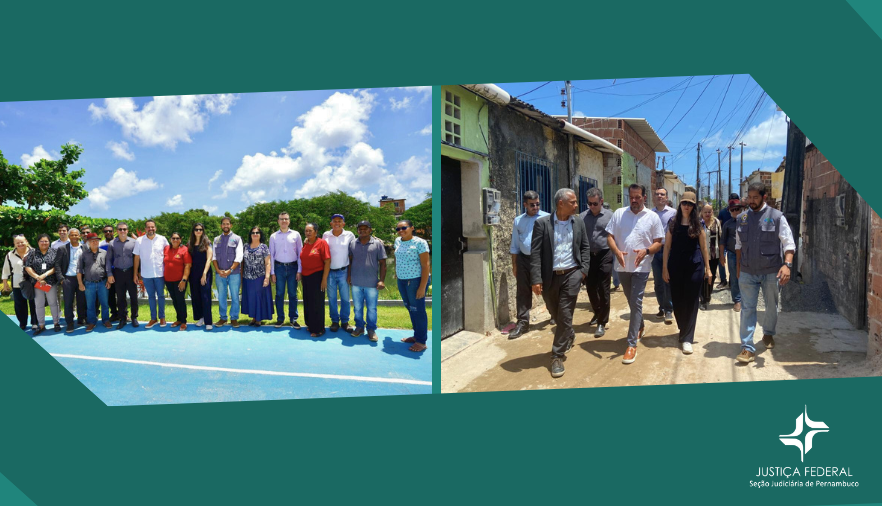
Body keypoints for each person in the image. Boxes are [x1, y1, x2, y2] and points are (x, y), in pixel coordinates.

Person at [529, 189, 590, 378]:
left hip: (572, 274)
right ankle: (568, 334)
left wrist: (583, 271)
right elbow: (535, 253)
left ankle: (557, 355)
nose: (576, 205)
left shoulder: (578, 222)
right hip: (549, 277)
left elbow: (585, 246)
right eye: (572, 202)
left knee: (564, 315)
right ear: (561, 203)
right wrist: (536, 279)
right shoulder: (542, 224)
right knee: (555, 313)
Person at [735, 182, 796, 363]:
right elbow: (738, 245)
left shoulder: (777, 217)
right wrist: (738, 268)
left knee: (771, 306)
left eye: (755, 198)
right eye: (749, 197)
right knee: (747, 308)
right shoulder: (742, 218)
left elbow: (789, 244)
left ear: (764, 197)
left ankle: (768, 333)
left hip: (771, 271)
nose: (751, 201)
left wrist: (787, 265)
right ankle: (747, 347)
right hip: (747, 271)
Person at [606, 184, 665, 365]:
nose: (634, 200)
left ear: (644, 198)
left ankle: (631, 344)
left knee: (636, 301)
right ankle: (640, 326)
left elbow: (658, 243)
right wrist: (616, 251)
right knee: (631, 301)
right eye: (631, 196)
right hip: (623, 266)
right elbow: (609, 236)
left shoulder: (652, 217)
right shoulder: (619, 214)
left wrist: (646, 251)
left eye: (638, 197)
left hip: (641, 267)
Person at [662, 192, 712, 354]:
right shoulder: (672, 222)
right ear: (680, 204)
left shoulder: (699, 224)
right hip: (675, 266)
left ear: (693, 206)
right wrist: (664, 268)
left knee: (691, 302)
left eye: (690, 204)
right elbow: (667, 247)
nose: (687, 206)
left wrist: (708, 269)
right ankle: (683, 329)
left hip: (695, 267)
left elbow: (704, 247)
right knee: (677, 300)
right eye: (684, 203)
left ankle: (687, 338)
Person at [508, 191, 549, 340]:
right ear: (525, 205)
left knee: (547, 288)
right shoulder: (518, 221)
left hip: (542, 260)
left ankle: (555, 314)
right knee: (523, 291)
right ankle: (523, 323)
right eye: (532, 205)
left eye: (538, 204)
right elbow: (515, 244)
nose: (536, 207)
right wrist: (514, 264)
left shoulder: (547, 218)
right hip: (524, 259)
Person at [579, 187, 613, 338]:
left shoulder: (610, 217)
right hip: (588, 256)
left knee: (604, 288)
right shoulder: (581, 217)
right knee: (591, 288)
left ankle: (602, 322)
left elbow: (615, 236)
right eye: (589, 204)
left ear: (601, 201)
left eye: (595, 203)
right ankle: (597, 312)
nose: (592, 206)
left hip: (605, 254)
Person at [347, 220, 387, 341]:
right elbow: (350, 261)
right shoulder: (353, 243)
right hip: (356, 282)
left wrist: (382, 280)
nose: (362, 230)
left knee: (372, 308)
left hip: (372, 283)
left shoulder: (377, 244)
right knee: (357, 307)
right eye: (360, 228)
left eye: (365, 228)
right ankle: (359, 327)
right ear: (357, 230)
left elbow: (383, 263)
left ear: (370, 230)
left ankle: (371, 329)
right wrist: (349, 276)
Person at [395, 219, 431, 352]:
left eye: (404, 228)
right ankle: (417, 336)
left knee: (418, 310)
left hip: (415, 281)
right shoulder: (398, 241)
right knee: (410, 308)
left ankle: (421, 341)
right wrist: (396, 273)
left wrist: (422, 287)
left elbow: (425, 265)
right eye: (398, 229)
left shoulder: (420, 243)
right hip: (402, 280)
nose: (401, 231)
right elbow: (398, 258)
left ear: (412, 228)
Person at [269, 212, 302, 329]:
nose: (284, 221)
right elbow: (271, 255)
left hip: (293, 267)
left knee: (293, 294)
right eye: (281, 219)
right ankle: (280, 319)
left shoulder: (296, 235)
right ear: (278, 221)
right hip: (279, 268)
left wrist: (299, 270)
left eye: (286, 219)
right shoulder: (273, 236)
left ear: (289, 221)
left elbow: (300, 253)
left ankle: (293, 319)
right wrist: (272, 272)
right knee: (279, 294)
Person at [323, 214, 356, 332]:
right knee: (331, 298)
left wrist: (350, 274)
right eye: (335, 221)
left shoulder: (350, 235)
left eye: (340, 221)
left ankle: (345, 321)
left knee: (345, 298)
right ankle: (335, 321)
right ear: (331, 223)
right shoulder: (326, 235)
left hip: (344, 271)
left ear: (344, 224)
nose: (337, 223)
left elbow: (353, 254)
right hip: (330, 271)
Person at [134, 219, 169, 329]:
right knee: (151, 297)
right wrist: (135, 273)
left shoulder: (162, 239)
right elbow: (136, 258)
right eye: (148, 227)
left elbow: (168, 254)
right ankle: (153, 318)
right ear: (145, 229)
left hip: (160, 273)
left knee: (161, 296)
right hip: (146, 274)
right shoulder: (139, 241)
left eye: (152, 227)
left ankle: (162, 317)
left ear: (155, 228)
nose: (151, 229)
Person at [24, 234, 62, 335]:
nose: (44, 243)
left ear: (49, 242)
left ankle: (56, 323)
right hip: (37, 283)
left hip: (51, 282)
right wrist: (38, 277)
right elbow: (28, 267)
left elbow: (56, 267)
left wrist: (44, 275)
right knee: (39, 304)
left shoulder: (54, 252)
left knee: (53, 303)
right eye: (42, 241)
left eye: (46, 241)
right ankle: (41, 325)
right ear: (38, 242)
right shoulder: (32, 252)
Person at [106, 222, 140, 329]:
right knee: (120, 297)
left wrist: (137, 274)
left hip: (131, 272)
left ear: (127, 230)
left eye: (124, 229)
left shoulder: (134, 242)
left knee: (133, 296)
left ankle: (134, 317)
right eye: (120, 229)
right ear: (117, 231)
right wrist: (109, 274)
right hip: (118, 272)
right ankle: (122, 318)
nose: (122, 231)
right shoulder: (112, 243)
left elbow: (137, 259)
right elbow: (108, 260)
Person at [651, 187, 677, 324]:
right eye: (657, 194)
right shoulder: (649, 213)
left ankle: (669, 310)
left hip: (669, 251)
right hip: (655, 252)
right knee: (658, 282)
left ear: (666, 198)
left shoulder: (674, 213)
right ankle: (661, 307)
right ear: (654, 197)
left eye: (662, 194)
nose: (660, 196)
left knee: (667, 280)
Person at [212, 217, 244, 328]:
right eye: (223, 224)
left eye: (228, 224)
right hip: (220, 274)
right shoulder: (216, 240)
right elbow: (214, 257)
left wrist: (230, 270)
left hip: (234, 273)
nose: (225, 226)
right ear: (221, 226)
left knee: (235, 296)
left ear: (231, 225)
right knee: (221, 296)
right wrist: (218, 270)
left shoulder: (237, 239)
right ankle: (223, 318)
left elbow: (239, 256)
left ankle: (234, 318)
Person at [77, 233, 112, 331]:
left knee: (105, 303)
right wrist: (80, 283)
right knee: (90, 305)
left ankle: (106, 320)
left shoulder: (104, 253)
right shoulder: (83, 254)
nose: (94, 242)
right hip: (89, 283)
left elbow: (108, 268)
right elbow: (79, 270)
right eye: (92, 240)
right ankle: (92, 322)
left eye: (96, 240)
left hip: (102, 282)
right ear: (88, 242)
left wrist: (109, 281)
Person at [300, 222, 331, 337]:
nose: (308, 233)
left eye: (310, 231)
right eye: (306, 231)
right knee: (308, 302)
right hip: (306, 276)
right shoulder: (305, 243)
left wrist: (324, 279)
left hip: (317, 276)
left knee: (317, 303)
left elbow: (327, 261)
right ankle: (310, 325)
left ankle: (319, 329)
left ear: (316, 232)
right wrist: (303, 277)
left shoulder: (322, 243)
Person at [2, 235, 38, 331]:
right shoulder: (10, 255)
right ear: (14, 244)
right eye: (17, 243)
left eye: (22, 242)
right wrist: (5, 283)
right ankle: (22, 323)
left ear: (26, 241)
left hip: (32, 281)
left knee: (34, 302)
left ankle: (35, 322)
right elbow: (6, 270)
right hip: (17, 282)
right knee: (19, 304)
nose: (20, 244)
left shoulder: (34, 252)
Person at [240, 226, 274, 326]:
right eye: (253, 233)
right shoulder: (245, 246)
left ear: (260, 235)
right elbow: (242, 263)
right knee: (251, 298)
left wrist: (267, 278)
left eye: (257, 233)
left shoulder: (264, 247)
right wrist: (242, 277)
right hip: (247, 277)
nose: (255, 234)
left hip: (260, 276)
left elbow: (268, 263)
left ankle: (259, 319)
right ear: (250, 235)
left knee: (259, 298)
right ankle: (254, 318)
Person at [57, 228, 87, 332]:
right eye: (72, 235)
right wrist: (61, 279)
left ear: (79, 236)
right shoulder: (62, 249)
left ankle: (81, 319)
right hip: (68, 279)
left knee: (82, 301)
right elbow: (57, 265)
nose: (74, 237)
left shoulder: (85, 247)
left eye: (76, 235)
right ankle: (69, 323)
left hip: (81, 279)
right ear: (69, 237)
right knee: (68, 302)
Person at [188, 223, 214, 330]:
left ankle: (208, 321)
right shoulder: (190, 243)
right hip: (193, 273)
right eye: (196, 229)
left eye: (200, 229)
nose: (198, 231)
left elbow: (209, 259)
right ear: (193, 231)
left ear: (203, 231)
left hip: (205, 273)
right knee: (196, 296)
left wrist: (204, 274)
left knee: (205, 297)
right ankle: (200, 318)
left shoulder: (207, 243)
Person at [163, 232, 192, 330]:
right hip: (168, 280)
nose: (175, 240)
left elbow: (187, 265)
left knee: (180, 300)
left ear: (180, 239)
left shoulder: (184, 250)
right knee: (174, 300)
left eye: (177, 238)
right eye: (173, 238)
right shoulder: (166, 249)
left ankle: (183, 321)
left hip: (180, 281)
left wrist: (184, 280)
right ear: (170, 239)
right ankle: (178, 319)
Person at [720, 199, 743, 312]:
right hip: (732, 254)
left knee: (747, 277)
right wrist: (721, 255)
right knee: (734, 277)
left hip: (747, 254)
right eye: (733, 210)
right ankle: (737, 300)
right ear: (729, 211)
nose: (735, 211)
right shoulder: (727, 224)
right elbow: (722, 240)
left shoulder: (747, 222)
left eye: (737, 209)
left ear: (741, 209)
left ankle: (747, 299)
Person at [699, 204, 723, 311]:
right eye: (705, 212)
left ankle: (707, 297)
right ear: (702, 212)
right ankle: (702, 298)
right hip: (700, 255)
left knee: (710, 277)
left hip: (714, 255)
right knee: (701, 277)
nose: (708, 214)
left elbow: (720, 238)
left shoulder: (717, 222)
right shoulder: (698, 223)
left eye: (710, 212)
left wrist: (722, 254)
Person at [716, 192, 740, 288]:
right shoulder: (722, 212)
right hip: (724, 239)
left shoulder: (742, 214)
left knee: (733, 264)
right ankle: (723, 280)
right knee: (721, 260)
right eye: (731, 202)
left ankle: (732, 281)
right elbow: (718, 224)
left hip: (735, 243)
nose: (734, 210)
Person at [99, 224, 120, 322]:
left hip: (119, 272)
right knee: (110, 295)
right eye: (106, 231)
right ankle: (114, 314)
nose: (108, 233)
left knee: (121, 294)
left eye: (110, 231)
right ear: (104, 233)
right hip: (107, 273)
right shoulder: (100, 245)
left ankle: (123, 314)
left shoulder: (118, 242)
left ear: (113, 232)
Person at [604, 202, 620, 292]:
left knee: (613, 265)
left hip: (609, 244)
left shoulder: (610, 215)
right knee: (614, 266)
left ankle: (615, 284)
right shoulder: (613, 215)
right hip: (612, 243)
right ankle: (616, 284)